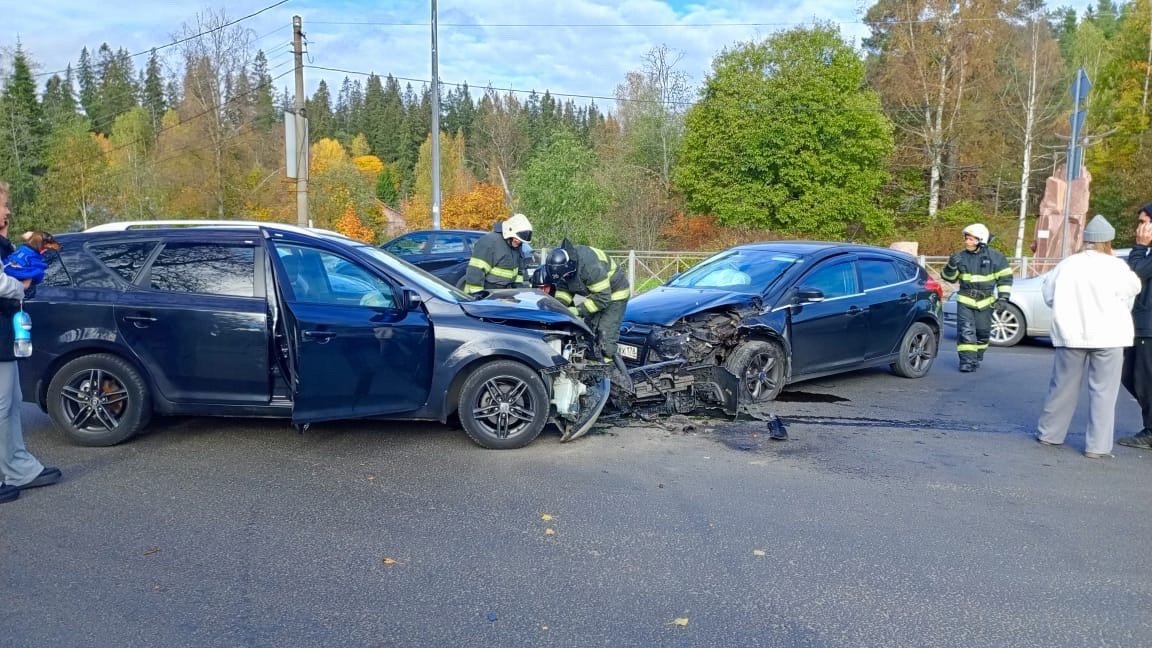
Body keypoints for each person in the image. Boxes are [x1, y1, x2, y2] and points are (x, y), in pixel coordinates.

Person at [1036, 215, 1142, 459]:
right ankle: (1097, 446)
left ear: (1086, 240)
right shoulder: (1117, 267)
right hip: (1110, 335)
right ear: (1109, 241)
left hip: (1071, 334)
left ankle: (1050, 434)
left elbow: (1049, 294)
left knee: (1062, 386)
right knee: (1104, 392)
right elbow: (1133, 289)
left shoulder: (1068, 264)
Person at [0, 180, 61, 503]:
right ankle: (16, 468)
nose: (8, 210)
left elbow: (21, 281)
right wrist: (20, 285)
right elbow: (5, 284)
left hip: (5, 334)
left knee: (8, 406)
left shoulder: (5, 245)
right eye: (3, 205)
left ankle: (19, 468)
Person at [940, 223, 1013, 372]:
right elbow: (950, 278)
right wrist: (951, 266)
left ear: (981, 240)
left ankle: (976, 357)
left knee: (983, 333)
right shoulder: (960, 257)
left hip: (986, 302)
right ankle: (966, 361)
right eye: (966, 238)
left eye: (971, 239)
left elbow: (1005, 279)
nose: (967, 242)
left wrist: (1003, 298)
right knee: (966, 332)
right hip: (965, 300)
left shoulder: (997, 258)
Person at [544, 238, 630, 362]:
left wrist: (577, 310)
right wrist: (559, 307)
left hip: (614, 295)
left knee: (604, 336)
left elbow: (603, 298)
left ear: (570, 266)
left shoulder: (590, 268)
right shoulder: (565, 268)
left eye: (565, 275)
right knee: (589, 332)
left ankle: (607, 373)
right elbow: (564, 289)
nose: (564, 277)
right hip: (597, 296)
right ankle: (592, 369)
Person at [1118, 204, 1152, 449]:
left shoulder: (1146, 253)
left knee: (1140, 378)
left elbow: (1136, 272)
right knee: (1132, 376)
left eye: (1144, 222)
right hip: (1142, 324)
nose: (1139, 228)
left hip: (1148, 326)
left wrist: (1140, 246)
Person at [461, 213, 533, 294]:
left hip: (506, 292)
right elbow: (475, 271)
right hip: (488, 291)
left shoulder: (516, 246)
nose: (519, 241)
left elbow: (519, 270)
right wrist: (477, 295)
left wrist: (518, 287)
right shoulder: (490, 242)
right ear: (509, 230)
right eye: (517, 238)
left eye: (521, 240)